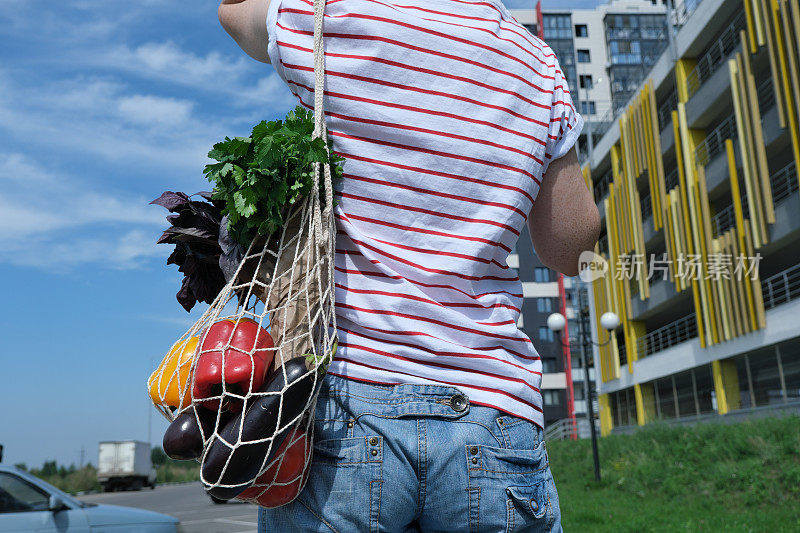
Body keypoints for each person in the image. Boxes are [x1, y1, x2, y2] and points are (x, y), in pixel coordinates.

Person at [218, 0, 600, 530]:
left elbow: (233, 14)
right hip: (491, 409)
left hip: (347, 408)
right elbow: (570, 249)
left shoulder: (331, 17)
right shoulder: (535, 62)